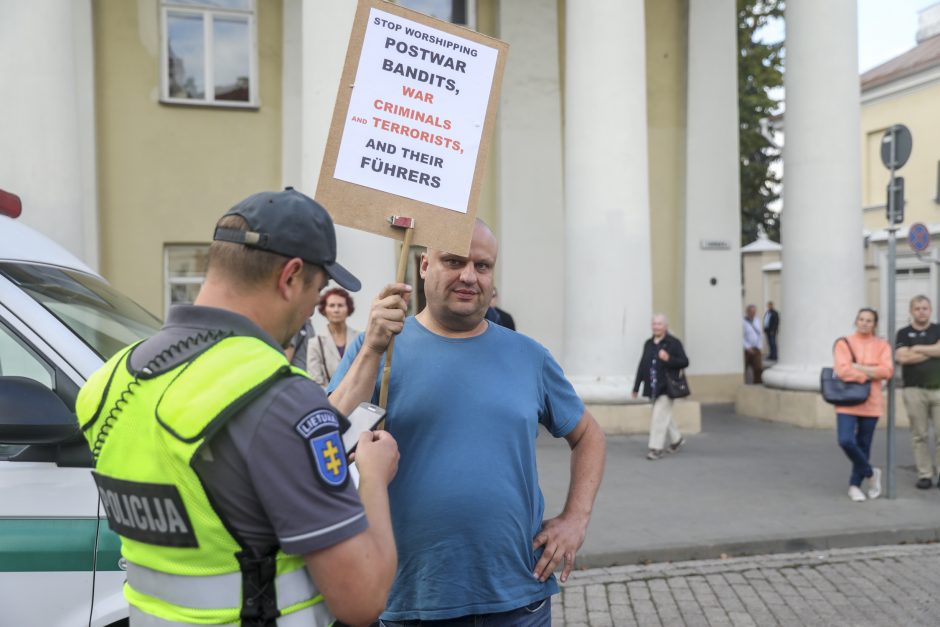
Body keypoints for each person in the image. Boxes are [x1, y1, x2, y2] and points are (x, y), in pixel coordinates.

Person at [75, 188, 405, 626]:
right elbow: (362, 600)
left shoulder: (108, 381)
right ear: (290, 277)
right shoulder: (280, 397)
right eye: (318, 288)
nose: (313, 308)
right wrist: (375, 479)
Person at [328, 220, 606, 626]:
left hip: (517, 597)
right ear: (423, 266)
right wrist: (371, 348)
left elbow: (589, 436)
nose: (469, 276)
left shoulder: (529, 355)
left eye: (482, 265)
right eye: (454, 261)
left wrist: (575, 519)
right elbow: (325, 435)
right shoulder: (380, 346)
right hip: (412, 597)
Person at [833, 308, 893, 502]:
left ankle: (854, 485)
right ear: (856, 321)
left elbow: (887, 371)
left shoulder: (882, 345)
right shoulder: (844, 343)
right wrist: (868, 374)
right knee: (845, 440)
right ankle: (870, 473)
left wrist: (859, 368)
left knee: (864, 444)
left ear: (874, 324)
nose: (865, 323)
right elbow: (842, 371)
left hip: (872, 401)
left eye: (869, 320)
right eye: (861, 319)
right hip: (847, 400)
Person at [895, 295, 940, 490]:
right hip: (913, 391)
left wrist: (918, 348)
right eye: (917, 308)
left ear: (930, 310)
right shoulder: (903, 333)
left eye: (925, 308)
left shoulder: (938, 329)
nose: (921, 311)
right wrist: (932, 350)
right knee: (919, 435)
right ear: (911, 311)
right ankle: (925, 475)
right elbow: (902, 358)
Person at [631, 314, 689, 460]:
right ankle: (677, 440)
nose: (656, 326)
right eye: (654, 324)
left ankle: (656, 448)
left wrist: (668, 358)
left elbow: (684, 362)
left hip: (667, 387)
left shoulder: (673, 343)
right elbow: (642, 365)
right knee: (663, 416)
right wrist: (636, 386)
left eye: (659, 324)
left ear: (665, 326)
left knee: (658, 417)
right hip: (653, 388)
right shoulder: (648, 344)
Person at [307, 287, 359, 387]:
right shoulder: (315, 343)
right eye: (331, 305)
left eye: (340, 305)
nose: (336, 310)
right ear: (324, 310)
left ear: (348, 309)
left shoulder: (359, 338)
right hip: (328, 399)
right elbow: (316, 381)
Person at [743, 304, 763, 384]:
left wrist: (759, 346)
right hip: (746, 350)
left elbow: (760, 334)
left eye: (754, 312)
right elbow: (740, 336)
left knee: (758, 368)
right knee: (744, 367)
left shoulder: (757, 320)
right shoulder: (743, 322)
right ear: (747, 312)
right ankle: (744, 383)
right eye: (751, 312)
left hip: (756, 348)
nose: (753, 313)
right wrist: (747, 347)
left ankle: (757, 383)